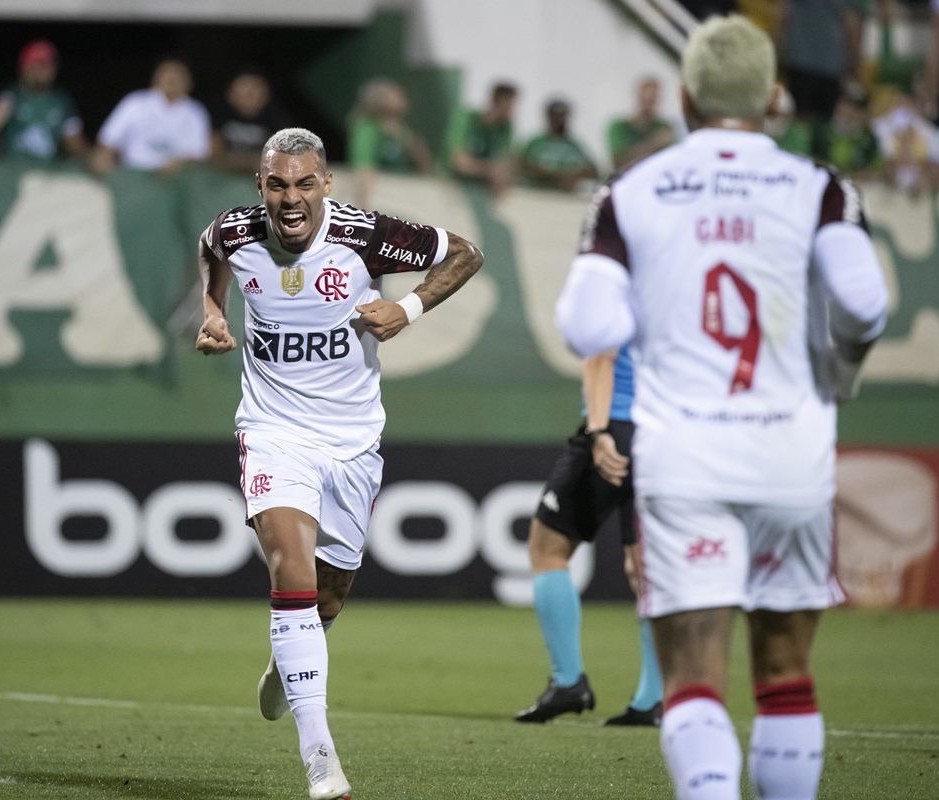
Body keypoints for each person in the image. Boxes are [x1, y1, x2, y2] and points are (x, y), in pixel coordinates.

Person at [555, 15, 888, 800]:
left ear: (684, 96)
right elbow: (866, 305)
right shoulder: (823, 188)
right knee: (784, 672)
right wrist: (840, 369)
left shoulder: (630, 194)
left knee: (696, 678)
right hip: (790, 454)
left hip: (685, 460)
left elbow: (587, 326)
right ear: (775, 98)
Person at [194, 127, 483, 800]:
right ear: (259, 186)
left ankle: (286, 661)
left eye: (303, 184)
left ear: (326, 184)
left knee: (327, 595)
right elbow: (211, 251)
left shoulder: (366, 235)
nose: (289, 200)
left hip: (353, 441)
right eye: (275, 184)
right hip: (273, 430)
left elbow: (467, 254)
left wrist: (407, 307)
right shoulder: (236, 232)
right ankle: (321, 760)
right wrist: (212, 309)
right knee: (288, 568)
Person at [514, 347, 663, 727]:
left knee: (547, 547)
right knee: (645, 566)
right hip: (665, 432)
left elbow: (602, 354)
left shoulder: (612, 285)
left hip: (616, 424)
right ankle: (654, 699)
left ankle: (568, 682)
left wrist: (598, 432)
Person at [92, 58, 210, 176]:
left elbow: (199, 155)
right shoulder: (135, 102)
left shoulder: (196, 112)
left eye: (178, 74)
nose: (171, 78)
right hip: (135, 172)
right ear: (155, 78)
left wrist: (179, 163)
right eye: (166, 73)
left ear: (189, 82)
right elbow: (108, 139)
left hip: (177, 177)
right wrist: (105, 158)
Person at [0, 39, 88, 162]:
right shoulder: (12, 95)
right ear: (24, 67)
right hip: (11, 170)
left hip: (46, 174)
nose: (41, 70)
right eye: (35, 64)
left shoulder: (61, 101)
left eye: (46, 65)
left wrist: (89, 158)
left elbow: (75, 143)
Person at [347, 77, 433, 208]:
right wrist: (362, 209)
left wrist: (409, 140)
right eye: (397, 95)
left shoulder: (403, 131)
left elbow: (425, 166)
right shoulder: (368, 129)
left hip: (406, 199)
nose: (403, 98)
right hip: (382, 200)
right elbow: (364, 168)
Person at [445, 81, 518, 196]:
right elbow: (460, 163)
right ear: (497, 101)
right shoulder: (467, 119)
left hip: (479, 191)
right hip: (449, 188)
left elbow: (504, 165)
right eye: (510, 105)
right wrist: (491, 171)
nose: (513, 110)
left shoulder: (505, 128)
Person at [210, 69, 288, 173]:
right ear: (229, 93)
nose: (248, 95)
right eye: (242, 89)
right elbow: (214, 155)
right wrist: (247, 162)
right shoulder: (219, 116)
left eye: (253, 89)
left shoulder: (275, 120)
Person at [519, 97, 599, 193]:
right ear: (548, 117)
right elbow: (522, 166)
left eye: (563, 116)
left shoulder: (574, 145)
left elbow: (593, 170)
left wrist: (577, 175)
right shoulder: (535, 143)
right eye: (556, 116)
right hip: (537, 196)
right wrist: (557, 177)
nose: (560, 120)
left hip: (565, 199)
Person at [607, 76, 675, 171]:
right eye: (646, 98)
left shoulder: (664, 126)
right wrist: (654, 143)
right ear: (638, 97)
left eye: (653, 98)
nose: (649, 103)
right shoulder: (618, 127)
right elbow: (619, 163)